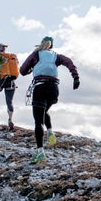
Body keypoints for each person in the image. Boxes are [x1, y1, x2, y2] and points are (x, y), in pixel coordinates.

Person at [20, 36, 80, 164]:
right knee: (44, 111)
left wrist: (31, 68)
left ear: (42, 44)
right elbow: (69, 62)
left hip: (40, 87)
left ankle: (40, 152)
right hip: (53, 89)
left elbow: (22, 71)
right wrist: (75, 77)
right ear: (51, 46)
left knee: (38, 121)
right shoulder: (56, 56)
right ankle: (50, 131)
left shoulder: (36, 54)